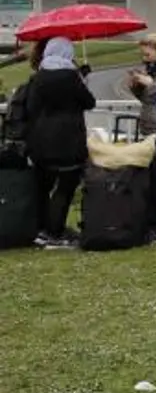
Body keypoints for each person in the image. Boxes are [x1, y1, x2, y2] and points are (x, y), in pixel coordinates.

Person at [16, 37, 96, 249]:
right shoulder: (72, 77)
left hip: (41, 140)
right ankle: (55, 230)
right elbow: (89, 102)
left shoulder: (37, 78)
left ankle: (41, 228)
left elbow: (31, 108)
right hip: (69, 140)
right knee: (66, 186)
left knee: (43, 186)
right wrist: (84, 78)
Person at [124, 32, 156, 242]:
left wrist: (150, 83)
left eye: (150, 48)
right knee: (151, 177)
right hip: (147, 125)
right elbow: (147, 99)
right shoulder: (149, 70)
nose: (145, 52)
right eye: (144, 48)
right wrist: (136, 86)